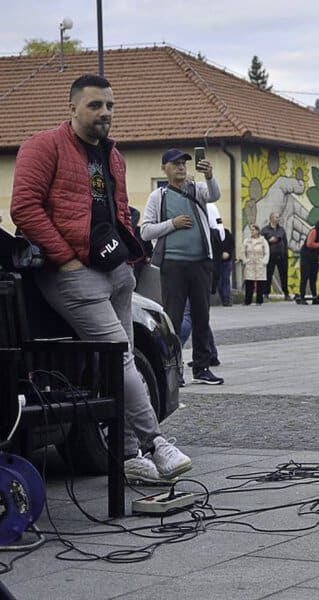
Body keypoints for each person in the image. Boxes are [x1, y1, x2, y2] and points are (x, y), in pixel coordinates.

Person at [10, 74, 191, 484]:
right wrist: (65, 260)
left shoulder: (113, 155)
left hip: (115, 272)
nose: (105, 113)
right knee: (119, 356)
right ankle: (155, 443)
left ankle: (128, 455)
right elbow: (24, 208)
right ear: (72, 107)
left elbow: (119, 210)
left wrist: (128, 259)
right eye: (95, 105)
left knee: (119, 364)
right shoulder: (44, 146)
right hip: (73, 276)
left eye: (110, 105)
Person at [142, 148, 224, 386]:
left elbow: (215, 195)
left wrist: (209, 175)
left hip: (201, 263)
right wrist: (173, 224)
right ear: (164, 168)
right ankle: (174, 370)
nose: (180, 167)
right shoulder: (158, 196)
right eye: (175, 163)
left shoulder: (197, 189)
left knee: (202, 316)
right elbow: (145, 231)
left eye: (183, 164)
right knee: (173, 318)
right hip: (173, 264)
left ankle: (202, 367)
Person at [297, 218, 319, 304]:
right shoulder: (314, 231)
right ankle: (301, 297)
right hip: (306, 256)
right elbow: (309, 244)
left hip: (316, 257)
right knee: (305, 276)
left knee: (313, 277)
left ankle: (315, 298)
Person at [261, 212, 289, 299]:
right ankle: (266, 293)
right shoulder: (265, 230)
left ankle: (286, 294)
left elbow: (285, 242)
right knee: (268, 274)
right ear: (271, 218)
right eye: (276, 217)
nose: (278, 219)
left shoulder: (281, 229)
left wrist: (286, 254)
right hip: (270, 255)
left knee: (284, 275)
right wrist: (269, 241)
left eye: (278, 217)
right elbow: (262, 242)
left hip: (282, 255)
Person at [242, 224, 269, 305]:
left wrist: (264, 262)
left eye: (253, 230)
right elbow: (243, 251)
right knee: (249, 282)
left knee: (260, 282)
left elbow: (267, 252)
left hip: (259, 263)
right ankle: (248, 301)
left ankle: (259, 300)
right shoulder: (247, 241)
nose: (252, 231)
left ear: (257, 231)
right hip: (250, 263)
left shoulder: (263, 241)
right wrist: (245, 260)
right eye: (251, 230)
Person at [218, 226, 235, 306]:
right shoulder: (213, 233)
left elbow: (232, 244)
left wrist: (228, 253)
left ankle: (226, 300)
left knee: (226, 280)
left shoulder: (226, 232)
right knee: (219, 282)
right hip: (217, 261)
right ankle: (222, 298)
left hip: (227, 261)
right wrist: (220, 253)